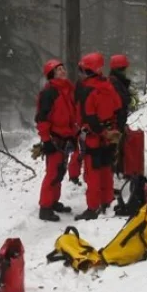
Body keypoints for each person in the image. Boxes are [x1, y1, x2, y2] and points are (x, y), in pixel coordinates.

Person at [74, 52, 123, 220]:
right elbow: (118, 107)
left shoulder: (87, 90)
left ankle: (93, 207)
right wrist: (111, 130)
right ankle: (107, 200)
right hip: (108, 135)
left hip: (94, 137)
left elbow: (89, 116)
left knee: (92, 173)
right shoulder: (108, 85)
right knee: (106, 168)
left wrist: (99, 131)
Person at [35, 59, 79, 221]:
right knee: (53, 173)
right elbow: (42, 119)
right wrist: (46, 140)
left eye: (62, 68)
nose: (62, 71)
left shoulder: (67, 90)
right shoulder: (49, 93)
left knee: (60, 172)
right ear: (51, 74)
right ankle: (45, 208)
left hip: (66, 137)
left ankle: (53, 201)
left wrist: (74, 135)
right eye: (58, 69)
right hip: (55, 139)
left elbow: (71, 115)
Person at [108, 54, 133, 176]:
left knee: (117, 147)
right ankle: (113, 172)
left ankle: (117, 169)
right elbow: (121, 101)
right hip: (116, 121)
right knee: (114, 149)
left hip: (118, 120)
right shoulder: (115, 83)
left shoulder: (116, 81)